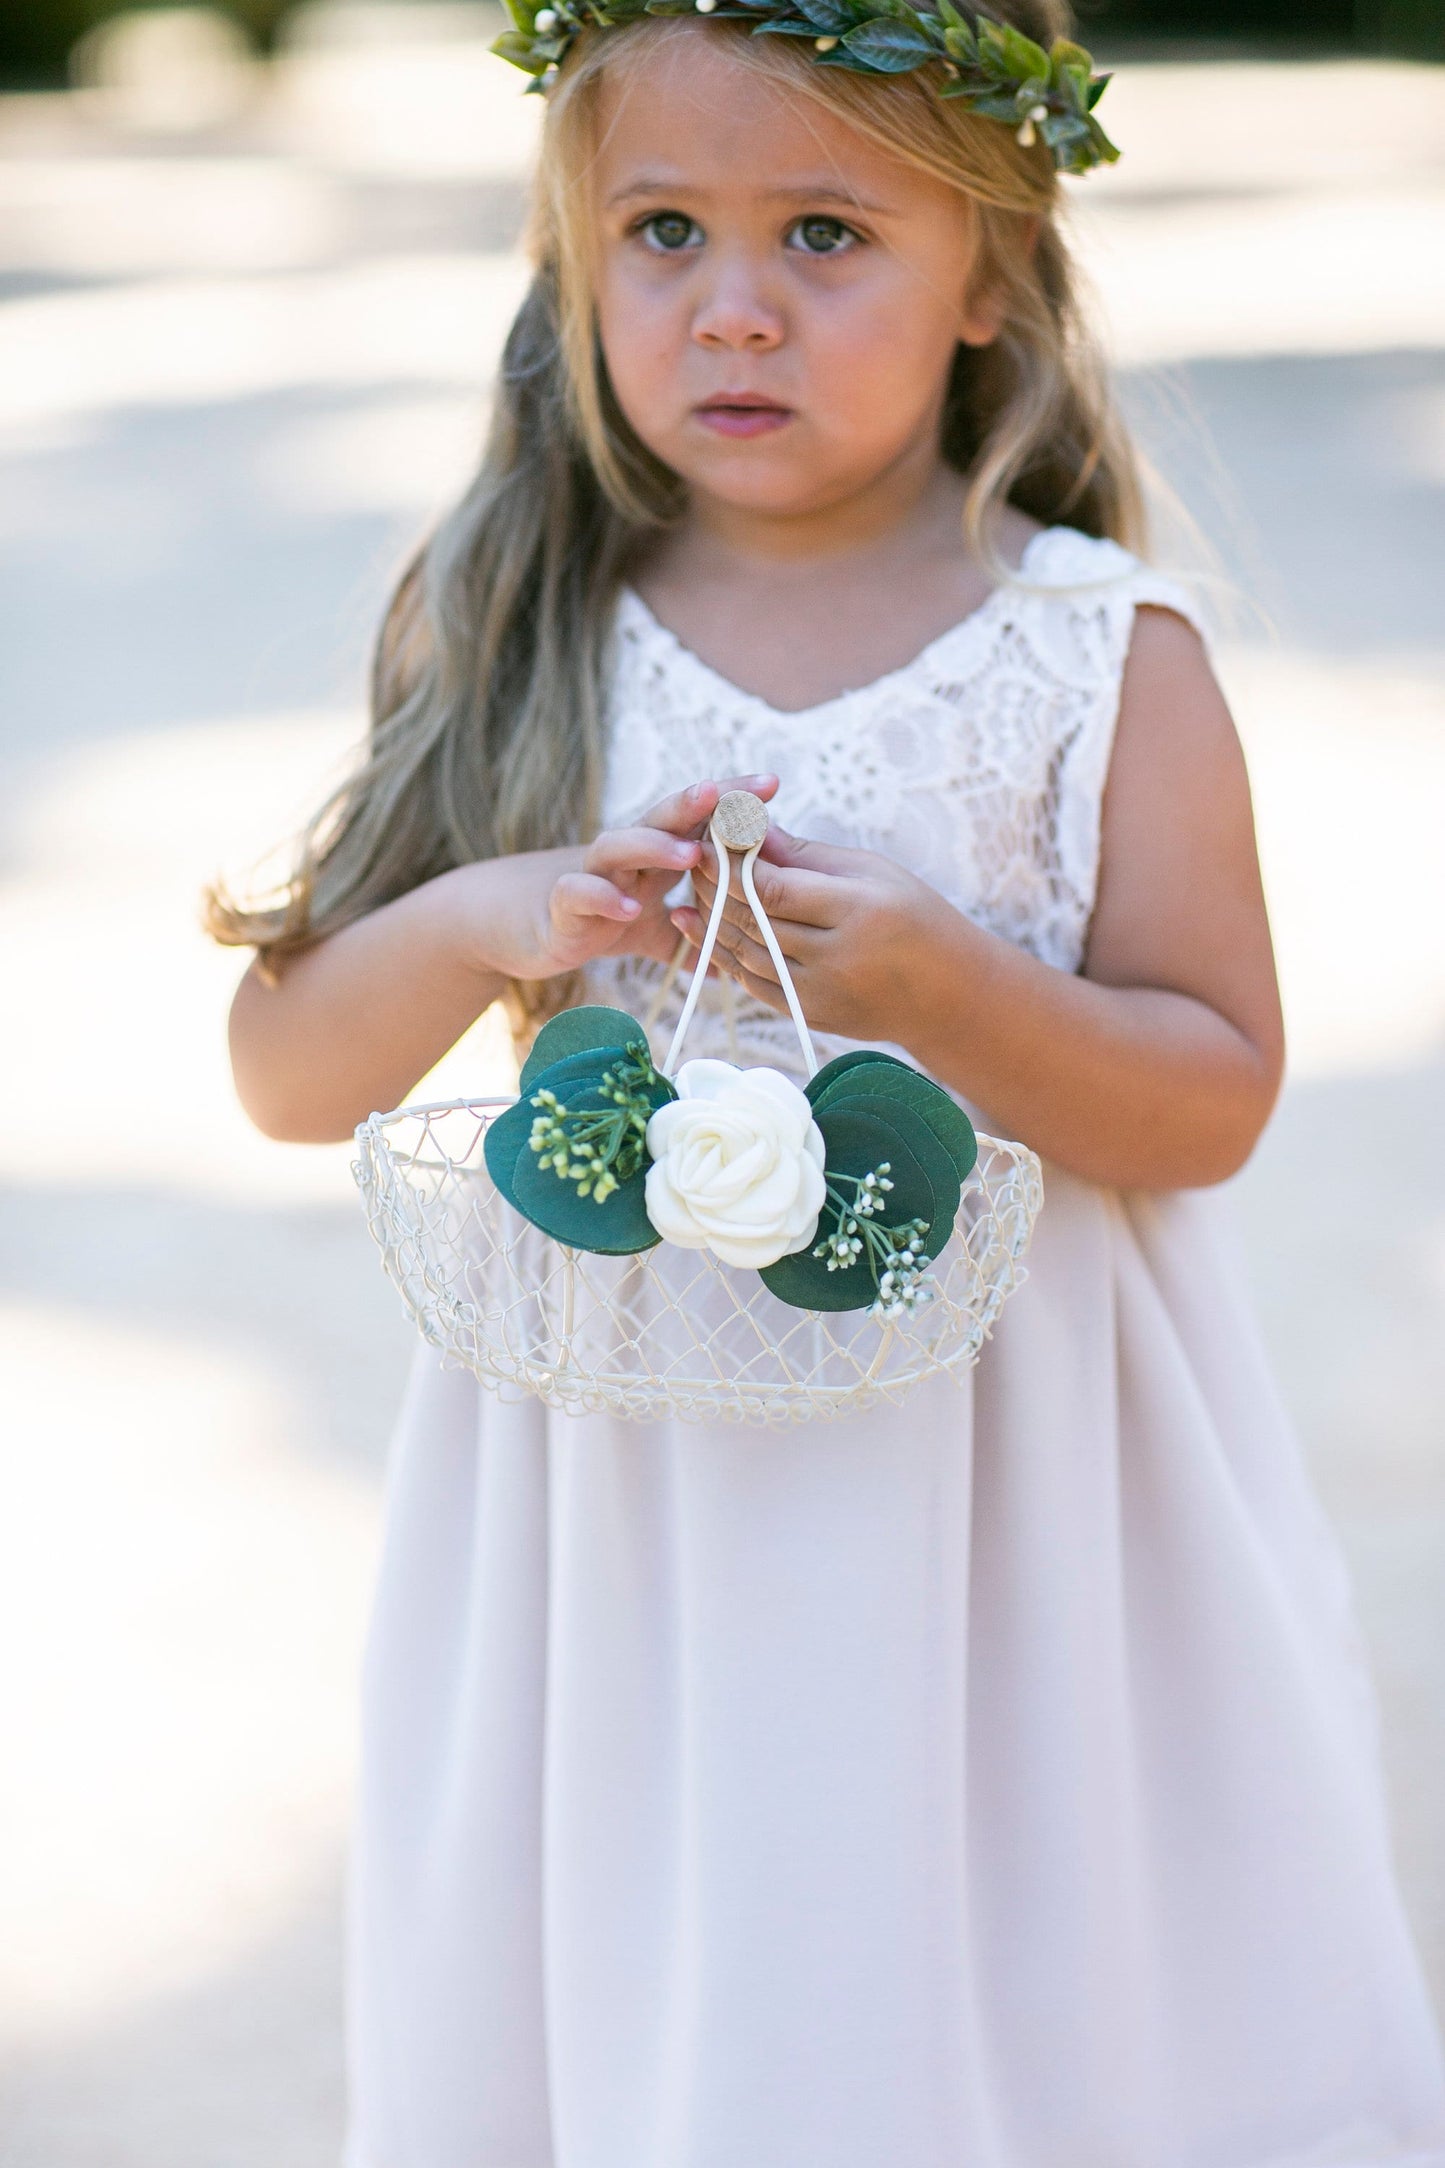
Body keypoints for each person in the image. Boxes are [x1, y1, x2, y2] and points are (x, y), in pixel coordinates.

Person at [211, 3, 1445, 2162]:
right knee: (685, 1968)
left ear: (989, 271)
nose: (735, 304)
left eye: (827, 233)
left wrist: (951, 990)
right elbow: (287, 1072)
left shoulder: (1095, 653)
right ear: (574, 261)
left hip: (1022, 1503)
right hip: (621, 1519)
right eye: (663, 230)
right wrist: (489, 913)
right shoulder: (513, 620)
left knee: (998, 1972)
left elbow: (1214, 1092)